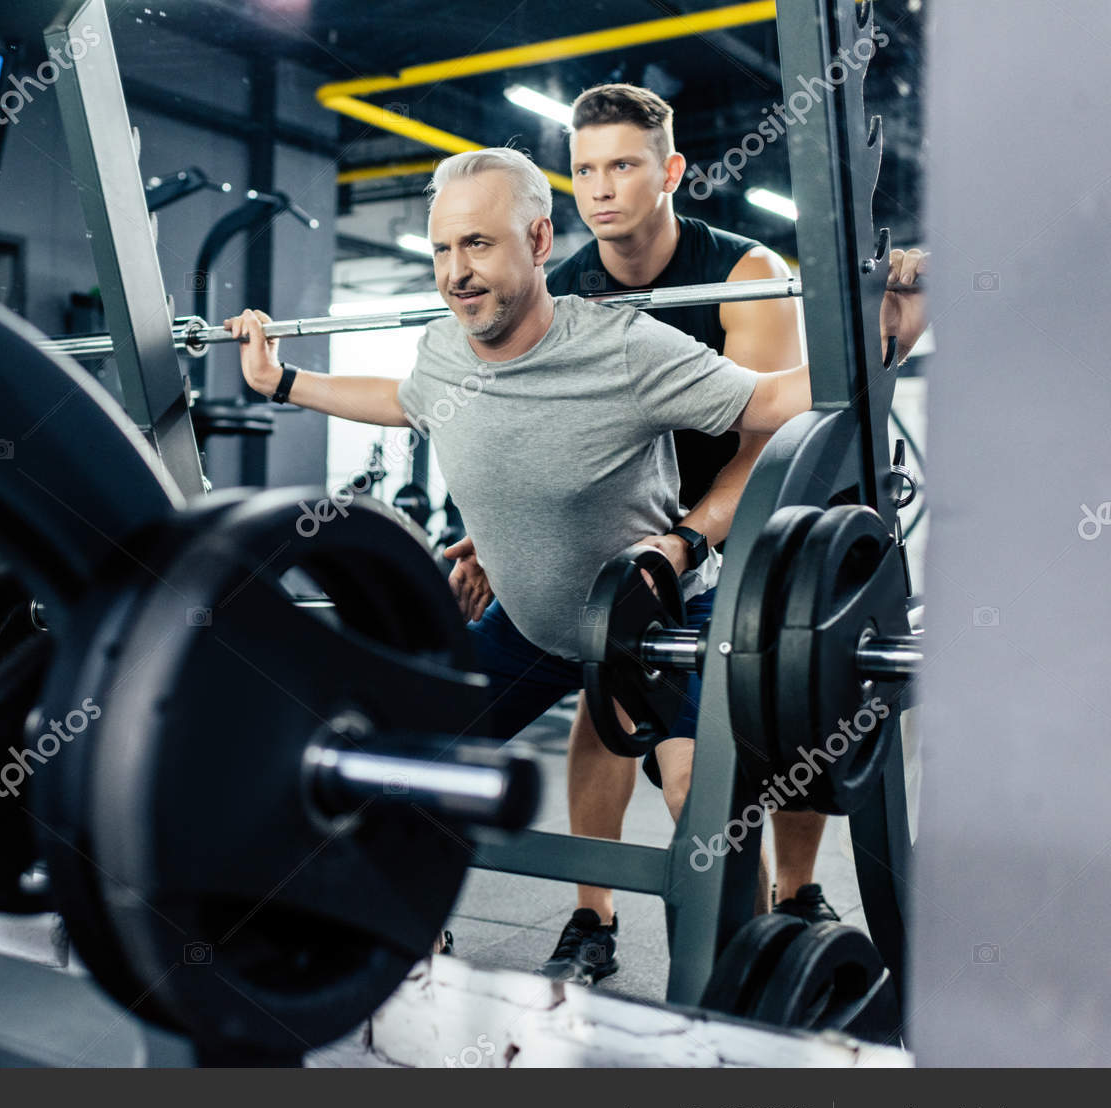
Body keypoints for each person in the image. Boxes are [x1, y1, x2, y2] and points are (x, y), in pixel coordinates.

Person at [225, 144, 926, 978]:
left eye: (479, 245)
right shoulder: (442, 350)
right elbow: (403, 403)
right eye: (444, 249)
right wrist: (280, 382)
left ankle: (751, 965)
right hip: (529, 626)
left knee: (698, 791)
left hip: (655, 622)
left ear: (538, 240)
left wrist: (884, 338)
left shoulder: (627, 348)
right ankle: (409, 923)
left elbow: (772, 399)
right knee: (395, 754)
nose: (457, 272)